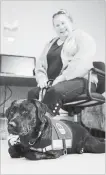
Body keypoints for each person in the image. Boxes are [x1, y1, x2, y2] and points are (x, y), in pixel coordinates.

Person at [28, 9, 97, 116]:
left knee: (54, 92)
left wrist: (62, 78)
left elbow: (81, 62)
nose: (61, 27)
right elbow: (40, 65)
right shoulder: (50, 43)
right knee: (32, 93)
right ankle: (32, 125)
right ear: (54, 28)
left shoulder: (82, 37)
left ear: (70, 22)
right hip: (55, 84)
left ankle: (45, 124)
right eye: (57, 25)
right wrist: (42, 78)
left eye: (63, 23)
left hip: (82, 81)